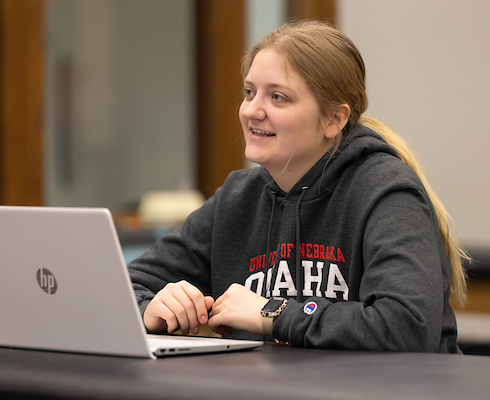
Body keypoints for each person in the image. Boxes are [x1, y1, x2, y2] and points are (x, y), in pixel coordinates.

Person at [128, 19, 468, 353]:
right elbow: (119, 286)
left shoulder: (386, 193)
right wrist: (150, 308)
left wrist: (272, 313)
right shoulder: (237, 198)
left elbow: (407, 326)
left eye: (278, 97)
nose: (251, 110)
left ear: (334, 119)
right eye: (249, 92)